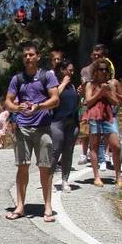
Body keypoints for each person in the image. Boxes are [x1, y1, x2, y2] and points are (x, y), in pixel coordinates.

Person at [4, 43, 59, 222]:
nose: (28, 58)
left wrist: (39, 106)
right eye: (25, 55)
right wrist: (17, 108)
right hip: (22, 128)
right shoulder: (17, 79)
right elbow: (8, 102)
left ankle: (48, 206)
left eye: (31, 55)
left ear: (38, 57)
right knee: (22, 166)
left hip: (43, 127)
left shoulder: (47, 76)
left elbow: (55, 99)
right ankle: (20, 206)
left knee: (45, 167)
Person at [84, 58, 122, 188]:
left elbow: (116, 102)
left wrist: (106, 93)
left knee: (116, 146)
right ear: (95, 71)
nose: (103, 72)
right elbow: (88, 101)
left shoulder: (110, 84)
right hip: (94, 115)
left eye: (106, 69)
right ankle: (96, 177)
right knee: (94, 146)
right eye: (101, 69)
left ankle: (118, 177)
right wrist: (100, 92)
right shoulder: (90, 85)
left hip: (108, 115)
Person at [50, 59, 80, 192]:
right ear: (62, 70)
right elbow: (53, 98)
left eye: (73, 70)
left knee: (68, 152)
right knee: (55, 151)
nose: (72, 73)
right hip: (57, 121)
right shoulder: (54, 84)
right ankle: (48, 179)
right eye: (69, 70)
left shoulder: (72, 86)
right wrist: (63, 83)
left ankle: (65, 180)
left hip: (72, 122)